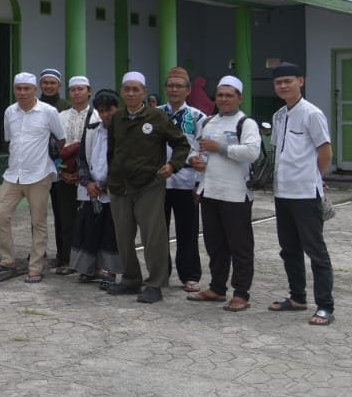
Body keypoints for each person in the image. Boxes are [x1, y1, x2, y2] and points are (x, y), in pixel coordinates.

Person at [105, 72, 191, 304]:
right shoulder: (118, 118)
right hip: (120, 186)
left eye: (136, 89)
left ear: (144, 92)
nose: (131, 93)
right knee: (123, 236)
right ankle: (131, 279)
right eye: (127, 89)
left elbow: (181, 144)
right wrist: (109, 178)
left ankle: (155, 284)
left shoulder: (157, 117)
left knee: (153, 237)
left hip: (149, 185)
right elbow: (112, 151)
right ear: (122, 92)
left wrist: (172, 166)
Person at [267, 62, 335, 326]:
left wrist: (316, 176)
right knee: (289, 249)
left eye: (288, 81)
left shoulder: (312, 114)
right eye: (279, 82)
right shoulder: (279, 115)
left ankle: (325, 306)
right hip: (282, 192)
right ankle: (297, 298)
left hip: (306, 193)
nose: (283, 86)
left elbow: (325, 151)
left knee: (316, 251)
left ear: (301, 82)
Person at [188, 76, 261, 312]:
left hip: (236, 194)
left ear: (240, 98)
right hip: (210, 192)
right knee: (215, 245)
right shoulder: (208, 122)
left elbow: (252, 152)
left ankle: (241, 293)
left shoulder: (246, 123)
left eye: (229, 95)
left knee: (240, 246)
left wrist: (219, 148)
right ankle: (217, 288)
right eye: (220, 95)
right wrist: (195, 162)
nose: (224, 99)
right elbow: (195, 149)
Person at [0, 72, 64, 281]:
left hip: (39, 175)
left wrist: (55, 164)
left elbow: (62, 139)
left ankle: (36, 266)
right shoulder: (9, 112)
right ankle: (7, 260)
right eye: (18, 89)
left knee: (38, 221)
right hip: (13, 175)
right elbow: (10, 140)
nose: (22, 93)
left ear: (35, 90)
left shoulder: (48, 112)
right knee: (0, 214)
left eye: (26, 89)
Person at [69, 89, 123, 287]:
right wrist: (88, 182)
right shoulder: (92, 129)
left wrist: (106, 184)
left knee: (111, 232)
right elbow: (82, 158)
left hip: (113, 192)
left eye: (110, 110)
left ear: (118, 109)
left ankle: (110, 271)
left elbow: (122, 162)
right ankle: (90, 269)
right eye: (101, 110)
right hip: (91, 191)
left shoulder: (124, 132)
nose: (106, 114)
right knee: (88, 230)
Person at [161, 67, 206, 293]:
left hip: (186, 181)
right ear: (165, 88)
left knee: (187, 230)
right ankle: (160, 272)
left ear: (188, 90)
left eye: (180, 86)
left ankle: (190, 274)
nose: (175, 89)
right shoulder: (156, 114)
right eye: (171, 85)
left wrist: (200, 183)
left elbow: (202, 152)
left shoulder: (198, 117)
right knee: (158, 230)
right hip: (159, 182)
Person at [52, 74, 93, 275]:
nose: (77, 93)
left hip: (89, 179)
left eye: (81, 89)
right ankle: (66, 259)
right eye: (73, 90)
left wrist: (83, 174)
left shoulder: (95, 117)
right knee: (65, 220)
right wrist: (62, 172)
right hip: (64, 176)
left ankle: (88, 262)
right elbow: (53, 147)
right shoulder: (61, 116)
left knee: (88, 220)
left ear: (89, 91)